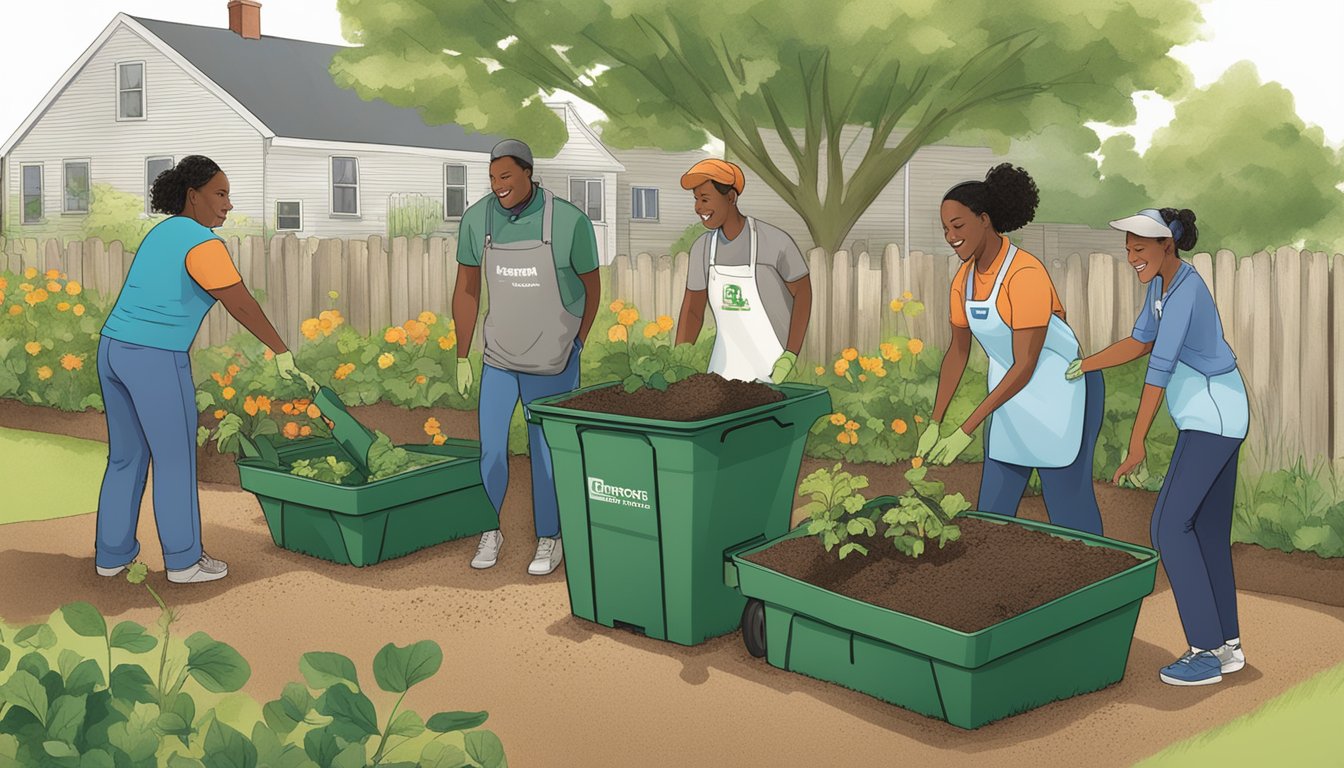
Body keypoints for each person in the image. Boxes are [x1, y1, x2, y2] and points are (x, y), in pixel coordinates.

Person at [95, 155, 314, 584]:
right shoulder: (201, 243)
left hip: (113, 350)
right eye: (220, 194)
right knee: (175, 459)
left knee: (126, 457)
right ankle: (183, 561)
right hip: (155, 357)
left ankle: (111, 555)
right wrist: (282, 351)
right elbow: (240, 303)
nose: (228, 204)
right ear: (192, 196)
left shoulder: (163, 234)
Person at [1070, 207, 1248, 686]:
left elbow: (1160, 367)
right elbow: (1138, 341)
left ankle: (1204, 652)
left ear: (1167, 245)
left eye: (1140, 249)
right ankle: (1228, 646)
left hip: (1212, 416)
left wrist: (1136, 443)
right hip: (1217, 412)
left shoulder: (1187, 290)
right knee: (1206, 533)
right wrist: (1086, 365)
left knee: (1169, 527)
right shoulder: (1161, 286)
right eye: (1128, 249)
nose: (1131, 257)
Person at [918, 164, 1105, 535]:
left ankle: (1100, 586)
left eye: (958, 226)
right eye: (945, 229)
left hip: (1062, 394)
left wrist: (965, 430)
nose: (950, 236)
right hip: (1009, 396)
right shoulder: (964, 281)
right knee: (993, 513)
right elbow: (957, 353)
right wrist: (936, 422)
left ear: (984, 219)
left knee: (1069, 508)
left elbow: (1027, 363)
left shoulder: (1025, 275)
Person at [452, 139, 600, 576]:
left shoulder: (568, 221)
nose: (499, 186)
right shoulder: (478, 219)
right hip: (499, 357)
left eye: (507, 177)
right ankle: (489, 529)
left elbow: (592, 286)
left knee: (547, 455)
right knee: (492, 451)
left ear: (528, 173)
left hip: (552, 360)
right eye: (493, 178)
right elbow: (467, 288)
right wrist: (463, 355)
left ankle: (549, 538)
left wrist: (579, 341)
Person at [673, 159, 811, 383]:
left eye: (705, 199)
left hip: (774, 371)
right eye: (696, 199)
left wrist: (791, 354)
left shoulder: (775, 242)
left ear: (730, 197)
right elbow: (692, 312)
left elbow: (803, 292)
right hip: (721, 374)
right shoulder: (703, 249)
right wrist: (677, 361)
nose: (698, 208)